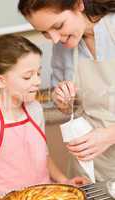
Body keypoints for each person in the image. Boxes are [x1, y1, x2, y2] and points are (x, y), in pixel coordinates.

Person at [18, 0, 115, 181]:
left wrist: (110, 135)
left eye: (58, 26)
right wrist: (64, 100)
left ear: (79, 4)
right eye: (45, 33)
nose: (55, 39)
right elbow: (67, 106)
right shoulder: (63, 46)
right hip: (89, 162)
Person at [0, 34, 88, 200]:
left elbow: (42, 156)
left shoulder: (35, 109)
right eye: (27, 76)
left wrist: (64, 181)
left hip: (46, 195)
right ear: (0, 81)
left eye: (38, 73)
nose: (37, 81)